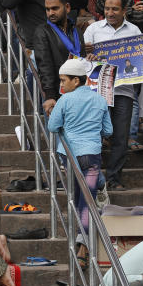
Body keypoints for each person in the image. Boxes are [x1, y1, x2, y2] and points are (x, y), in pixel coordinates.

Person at [46, 58, 111, 266]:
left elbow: (53, 126)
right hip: (92, 156)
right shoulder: (100, 100)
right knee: (88, 200)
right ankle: (83, 245)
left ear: (76, 80)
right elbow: (108, 130)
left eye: (64, 81)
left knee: (78, 199)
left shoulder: (65, 100)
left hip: (71, 156)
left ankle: (82, 247)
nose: (61, 85)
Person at [85, 0, 143, 191]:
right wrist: (89, 55)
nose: (110, 13)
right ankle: (93, 178)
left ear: (124, 10)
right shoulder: (93, 29)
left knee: (120, 136)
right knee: (94, 134)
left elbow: (141, 59)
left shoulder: (134, 30)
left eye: (115, 9)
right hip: (97, 92)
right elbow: (84, 60)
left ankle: (115, 179)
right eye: (107, 9)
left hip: (124, 91)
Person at [34, 0, 83, 104]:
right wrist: (50, 96)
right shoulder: (42, 31)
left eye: (55, 8)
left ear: (67, 7)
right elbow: (44, 65)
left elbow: (83, 60)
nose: (50, 13)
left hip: (79, 92)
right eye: (47, 9)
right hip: (57, 94)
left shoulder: (77, 31)